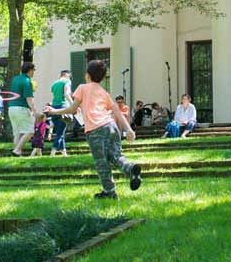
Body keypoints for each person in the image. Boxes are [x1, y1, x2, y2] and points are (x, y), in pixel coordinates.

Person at [45, 60, 143, 200]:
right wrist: (129, 130)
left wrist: (54, 111)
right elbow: (116, 110)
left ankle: (110, 192)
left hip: (95, 130)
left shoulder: (82, 88)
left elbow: (72, 109)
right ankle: (131, 168)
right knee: (116, 156)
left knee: (101, 162)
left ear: (87, 75)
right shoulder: (104, 92)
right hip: (111, 126)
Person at [8, 62, 40, 157]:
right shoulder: (27, 81)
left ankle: (17, 153)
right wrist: (35, 111)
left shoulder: (15, 79)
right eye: (34, 70)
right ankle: (17, 150)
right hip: (21, 108)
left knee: (18, 132)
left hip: (11, 108)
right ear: (30, 70)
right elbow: (29, 98)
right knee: (30, 131)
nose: (34, 72)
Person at [49, 70, 73, 157]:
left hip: (54, 108)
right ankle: (52, 153)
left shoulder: (54, 83)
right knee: (60, 133)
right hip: (63, 108)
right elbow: (66, 94)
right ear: (67, 75)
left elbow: (55, 95)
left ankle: (64, 153)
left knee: (60, 131)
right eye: (70, 77)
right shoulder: (67, 81)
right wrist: (73, 104)